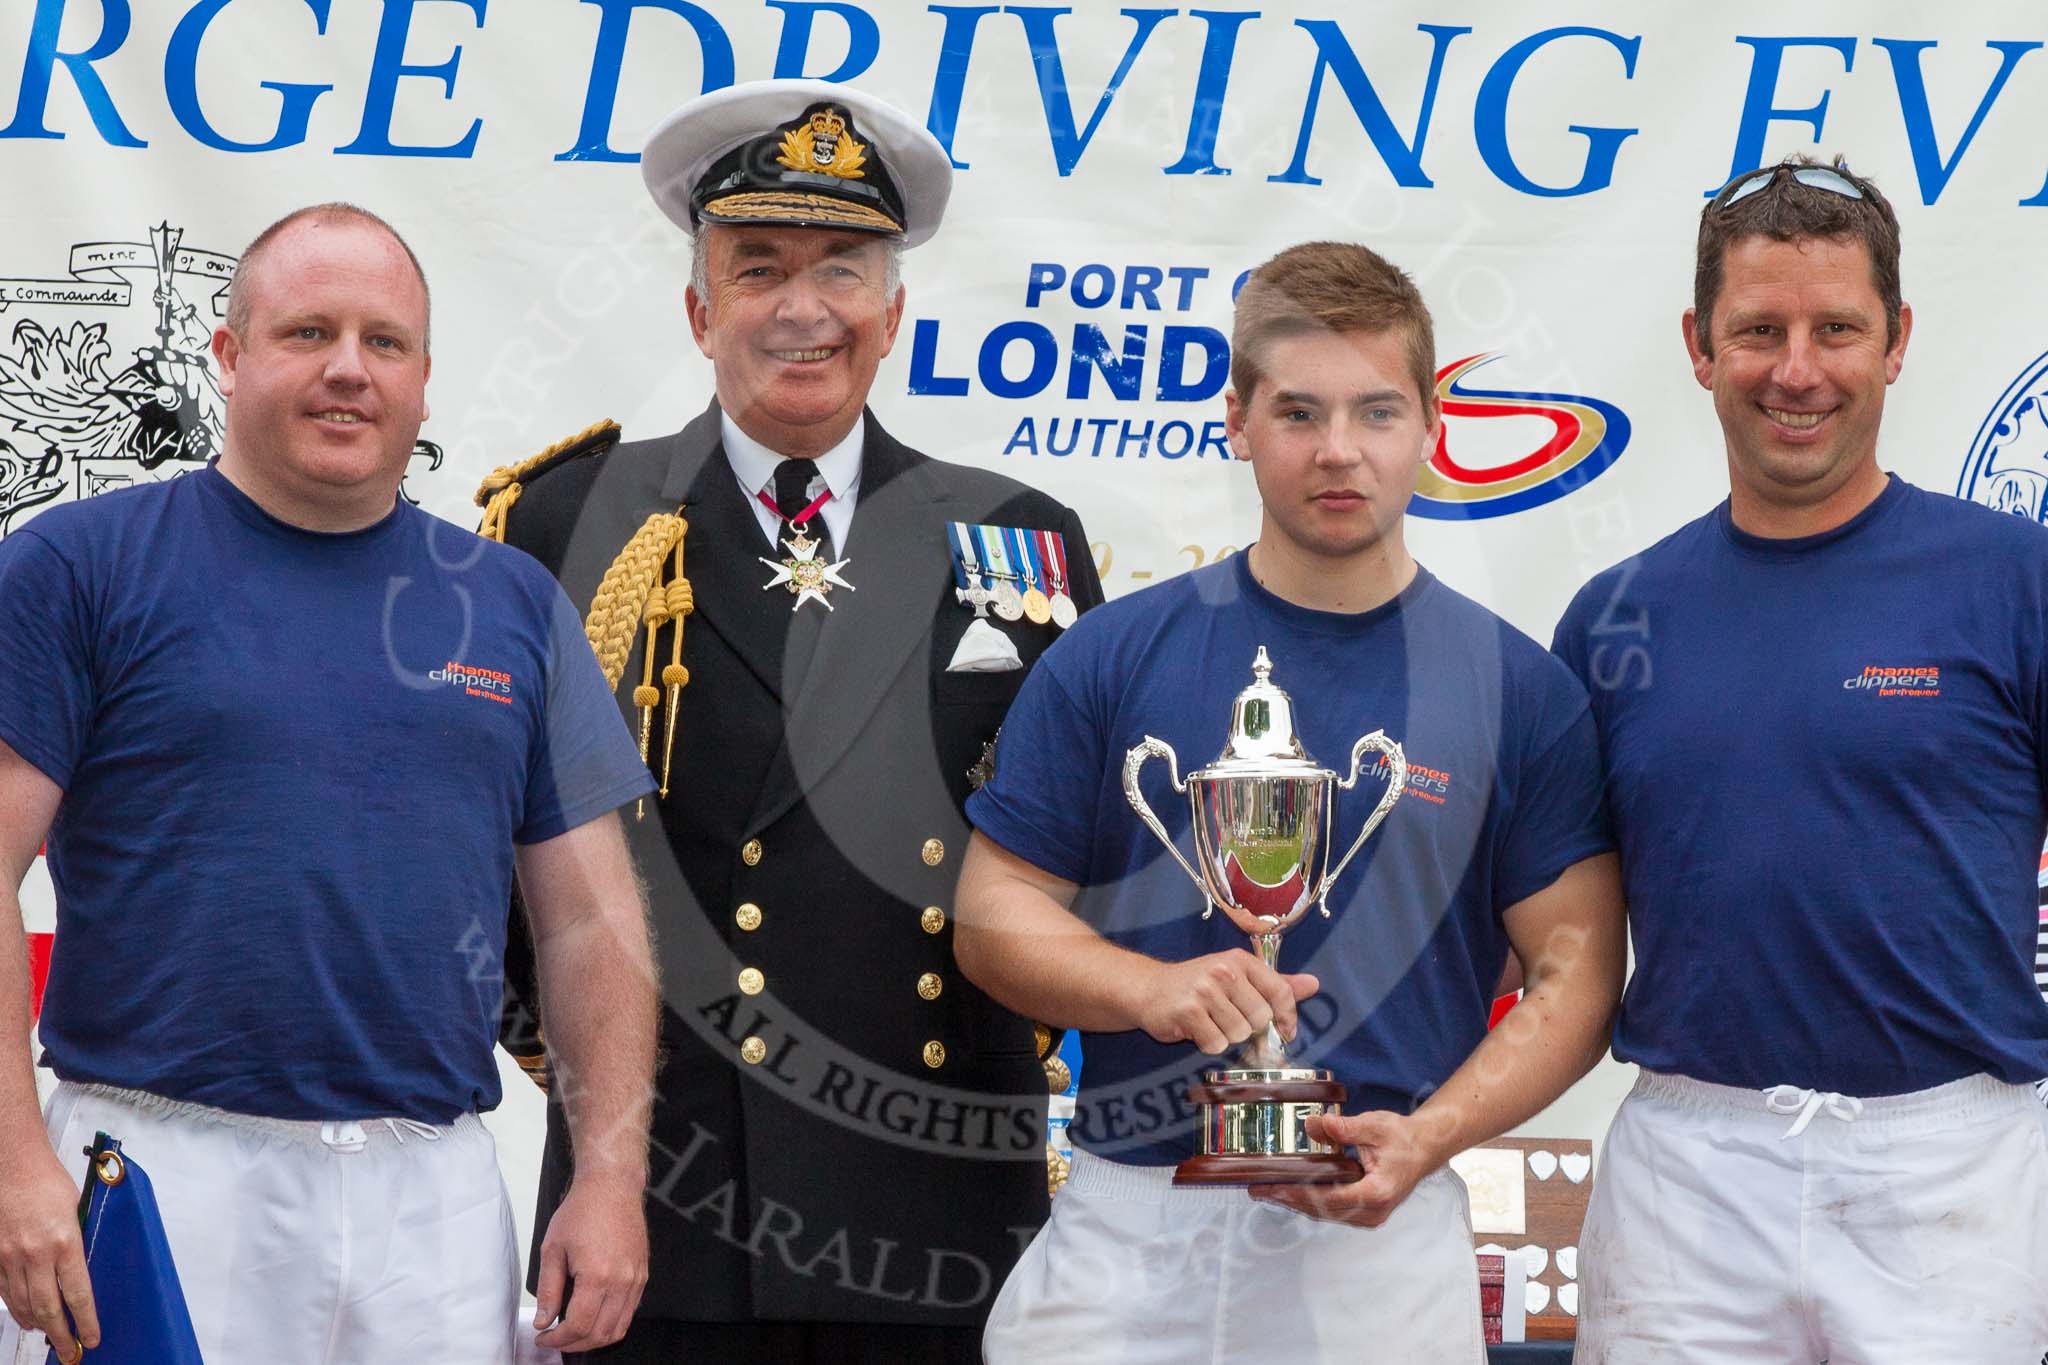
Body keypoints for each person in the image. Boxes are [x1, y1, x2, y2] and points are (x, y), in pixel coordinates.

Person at [475, 79, 1104, 1364]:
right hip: (657, 1200)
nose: (801, 308)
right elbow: (501, 868)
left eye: (840, 270)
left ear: (894, 314)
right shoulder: (567, 523)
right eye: (758, 269)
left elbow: (1068, 865)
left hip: (932, 1201)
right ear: (699, 309)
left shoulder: (1017, 539)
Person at [0, 203, 658, 1364]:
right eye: (307, 332)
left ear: (423, 377)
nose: (349, 370)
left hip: (435, 1203)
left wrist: (608, 1181)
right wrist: (12, 1159)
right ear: (228, 352)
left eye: (384, 341)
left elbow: (591, 920)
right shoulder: (75, 568)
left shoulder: (509, 607)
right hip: (160, 1174)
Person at [952, 240, 1627, 1362]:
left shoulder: (1518, 690)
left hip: (1380, 1224)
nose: (1336, 451)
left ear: (1430, 426)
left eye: (1374, 412)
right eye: (1297, 412)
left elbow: (1577, 973)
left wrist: (1426, 1140)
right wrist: (1149, 988)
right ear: (1235, 418)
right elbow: (992, 910)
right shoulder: (1113, 654)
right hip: (1128, 1221)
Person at [1553, 158, 2048, 1362]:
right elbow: (1551, 943)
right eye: (1758, 330)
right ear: (1697, 344)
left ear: (1895, 340)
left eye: (1835, 329)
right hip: (1687, 1181)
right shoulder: (1611, 616)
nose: (1796, 370)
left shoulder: (2014, 580)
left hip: (1954, 1172)